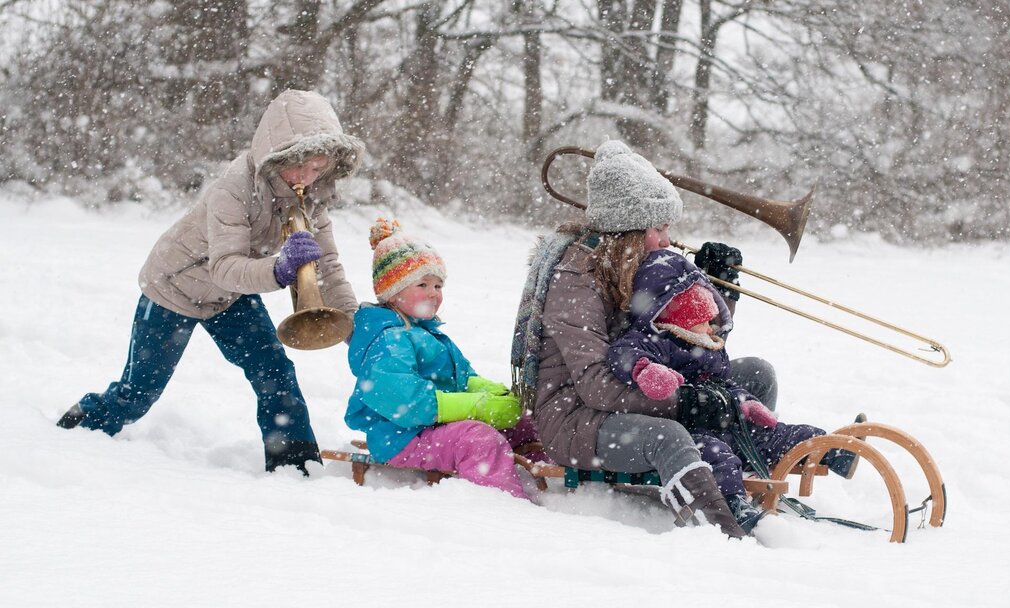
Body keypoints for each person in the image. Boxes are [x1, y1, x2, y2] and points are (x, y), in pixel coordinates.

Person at [56, 89, 364, 474]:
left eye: (318, 169)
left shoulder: (311, 197)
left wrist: (354, 322)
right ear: (278, 155)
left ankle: (295, 464)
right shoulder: (233, 189)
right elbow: (224, 266)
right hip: (174, 289)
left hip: (231, 297)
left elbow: (328, 265)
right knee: (139, 394)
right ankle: (82, 420)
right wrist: (278, 270)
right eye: (299, 167)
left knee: (274, 371)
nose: (306, 178)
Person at [511, 139, 772, 539]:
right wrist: (684, 401)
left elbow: (691, 338)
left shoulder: (631, 261)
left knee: (756, 375)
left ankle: (730, 479)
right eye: (660, 229)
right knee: (668, 435)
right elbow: (596, 384)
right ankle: (722, 534)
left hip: (642, 389)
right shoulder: (576, 279)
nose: (668, 241)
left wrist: (719, 291)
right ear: (629, 230)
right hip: (576, 417)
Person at [605, 247, 854, 533]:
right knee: (716, 456)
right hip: (692, 429)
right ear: (680, 319)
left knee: (779, 434)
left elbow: (725, 384)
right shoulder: (659, 340)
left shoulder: (708, 347)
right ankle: (733, 502)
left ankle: (833, 450)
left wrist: (747, 402)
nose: (712, 328)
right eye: (705, 321)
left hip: (728, 419)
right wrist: (646, 370)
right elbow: (624, 352)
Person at [344, 219, 530, 499]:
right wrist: (477, 407)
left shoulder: (427, 334)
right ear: (393, 292)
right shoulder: (389, 340)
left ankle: (563, 485)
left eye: (438, 285)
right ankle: (502, 504)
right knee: (479, 440)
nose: (433, 293)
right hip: (404, 437)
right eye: (422, 284)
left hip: (435, 428)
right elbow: (407, 403)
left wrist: (494, 393)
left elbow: (463, 377)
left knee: (527, 422)